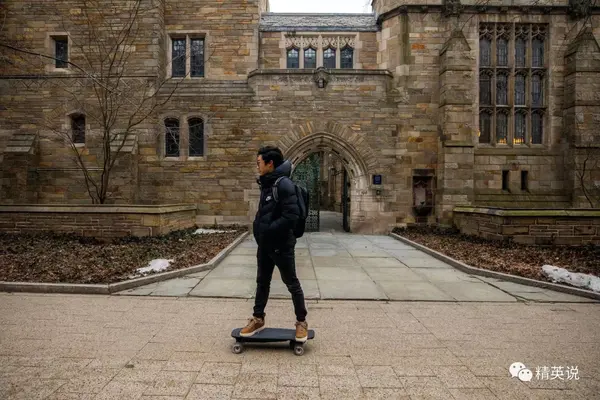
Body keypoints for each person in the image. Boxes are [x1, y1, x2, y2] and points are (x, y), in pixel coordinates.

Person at [241, 146, 308, 342]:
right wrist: (259, 231)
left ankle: (301, 322)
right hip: (265, 245)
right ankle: (258, 318)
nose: (257, 166)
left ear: (270, 163)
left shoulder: (283, 184)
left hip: (281, 245)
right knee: (262, 282)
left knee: (292, 283)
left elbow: (292, 216)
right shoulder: (267, 183)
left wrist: (268, 230)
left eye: (259, 163)